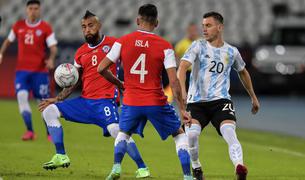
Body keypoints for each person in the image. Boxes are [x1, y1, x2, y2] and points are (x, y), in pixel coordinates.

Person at [38, 11, 150, 178]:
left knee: (116, 130)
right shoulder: (80, 52)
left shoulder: (114, 44)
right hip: (85, 102)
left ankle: (142, 167)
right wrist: (57, 98)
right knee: (49, 111)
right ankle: (61, 155)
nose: (87, 30)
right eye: (83, 27)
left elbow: (134, 62)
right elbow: (73, 81)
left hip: (105, 101)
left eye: (91, 26)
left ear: (99, 26)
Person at [98, 4, 193, 180]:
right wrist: (182, 108)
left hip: (132, 101)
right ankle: (188, 176)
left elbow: (101, 68)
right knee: (179, 134)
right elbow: (173, 81)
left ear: (137, 20)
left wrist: (119, 83)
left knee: (123, 133)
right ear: (156, 23)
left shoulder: (122, 41)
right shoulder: (165, 46)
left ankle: (116, 167)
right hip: (156, 101)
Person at [177, 11, 260, 180]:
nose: (204, 29)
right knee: (191, 135)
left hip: (220, 101)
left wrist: (253, 96)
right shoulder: (197, 46)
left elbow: (243, 72)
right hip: (196, 102)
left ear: (220, 27)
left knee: (229, 131)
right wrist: (183, 92)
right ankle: (196, 167)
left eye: (208, 25)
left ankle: (239, 167)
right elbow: (182, 68)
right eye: (203, 26)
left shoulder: (231, 51)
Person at [0, 0, 57, 141]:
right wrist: (1, 54)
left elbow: (53, 47)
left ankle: (50, 132)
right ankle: (30, 131)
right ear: (26, 10)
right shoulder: (18, 26)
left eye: (36, 8)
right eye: (30, 8)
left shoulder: (45, 27)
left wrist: (51, 59)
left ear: (39, 10)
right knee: (21, 98)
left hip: (40, 72)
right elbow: (8, 41)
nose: (33, 11)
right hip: (22, 72)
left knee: (43, 103)